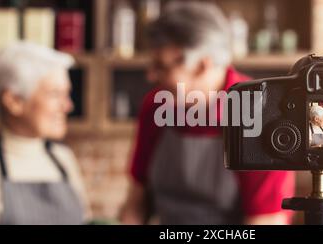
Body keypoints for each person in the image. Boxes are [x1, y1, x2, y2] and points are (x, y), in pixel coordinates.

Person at [119, 2, 295, 225]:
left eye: (161, 66)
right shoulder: (156, 106)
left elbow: (267, 220)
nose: (151, 76)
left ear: (202, 66)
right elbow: (136, 201)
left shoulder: (262, 115)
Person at [0, 42, 90, 225]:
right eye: (55, 94)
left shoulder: (62, 158)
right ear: (14, 101)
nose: (67, 106)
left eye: (67, 94)